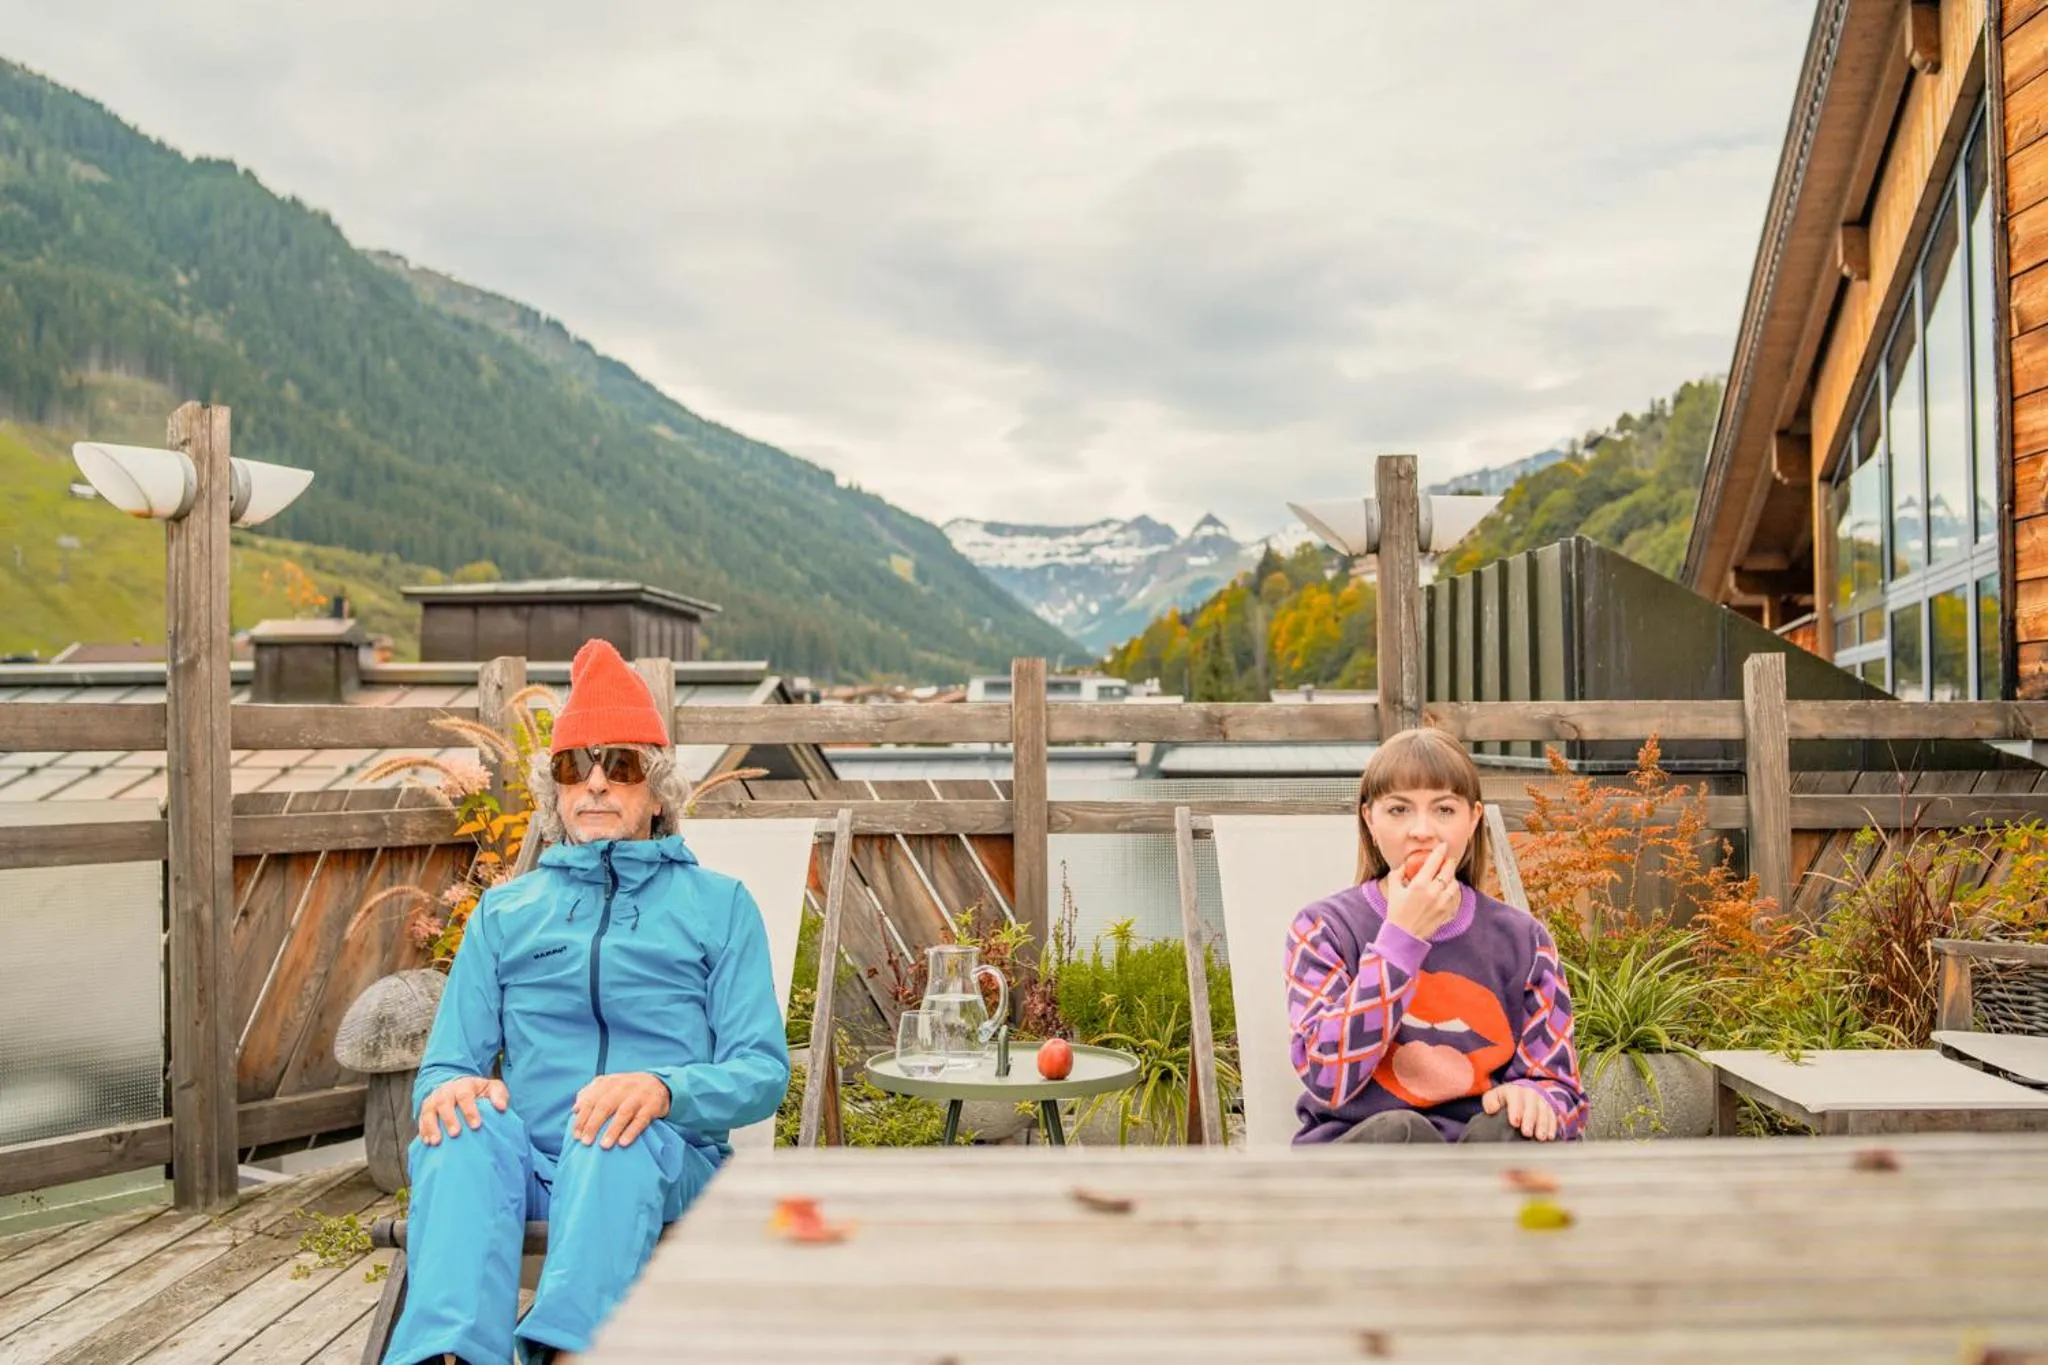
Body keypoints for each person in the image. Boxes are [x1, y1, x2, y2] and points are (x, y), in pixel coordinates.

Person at [381, 639, 790, 1365]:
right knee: (462, 1129)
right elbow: (443, 1068)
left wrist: (664, 1089)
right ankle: (451, 1356)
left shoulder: (719, 906)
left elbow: (762, 1072)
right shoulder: (506, 912)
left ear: (657, 791)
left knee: (614, 1128)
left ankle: (570, 1354)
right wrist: (451, 1091)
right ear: (556, 790)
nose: (596, 784)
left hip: (663, 1161)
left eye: (621, 765)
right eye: (576, 766)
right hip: (530, 1168)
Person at [1284, 726, 1585, 1145]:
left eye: (1444, 810)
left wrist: (1538, 1098)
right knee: (1401, 1131)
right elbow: (1327, 1077)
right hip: (1366, 1160)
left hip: (1481, 1157)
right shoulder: (1323, 930)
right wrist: (1403, 938)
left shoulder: (1524, 941)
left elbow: (1561, 1088)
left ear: (1473, 818)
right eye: (1398, 810)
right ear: (1370, 819)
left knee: (1511, 1129)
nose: (1421, 830)